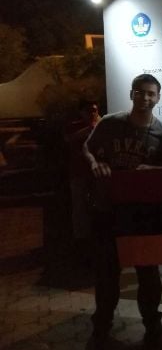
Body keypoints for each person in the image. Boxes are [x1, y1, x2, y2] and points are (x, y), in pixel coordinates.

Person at [83, 74, 162, 350]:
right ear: (131, 94)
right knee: (107, 275)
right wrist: (94, 162)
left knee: (148, 275)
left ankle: (153, 327)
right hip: (107, 211)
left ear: (158, 98)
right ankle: (101, 329)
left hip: (143, 216)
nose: (145, 98)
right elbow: (87, 148)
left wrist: (153, 170)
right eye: (140, 92)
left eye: (151, 93)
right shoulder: (110, 123)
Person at [65, 99, 101, 262]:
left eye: (94, 110)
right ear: (81, 113)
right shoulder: (74, 127)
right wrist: (89, 129)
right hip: (79, 174)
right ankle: (81, 243)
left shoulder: (104, 125)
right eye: (88, 110)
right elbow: (70, 141)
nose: (92, 113)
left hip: (97, 175)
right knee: (80, 209)